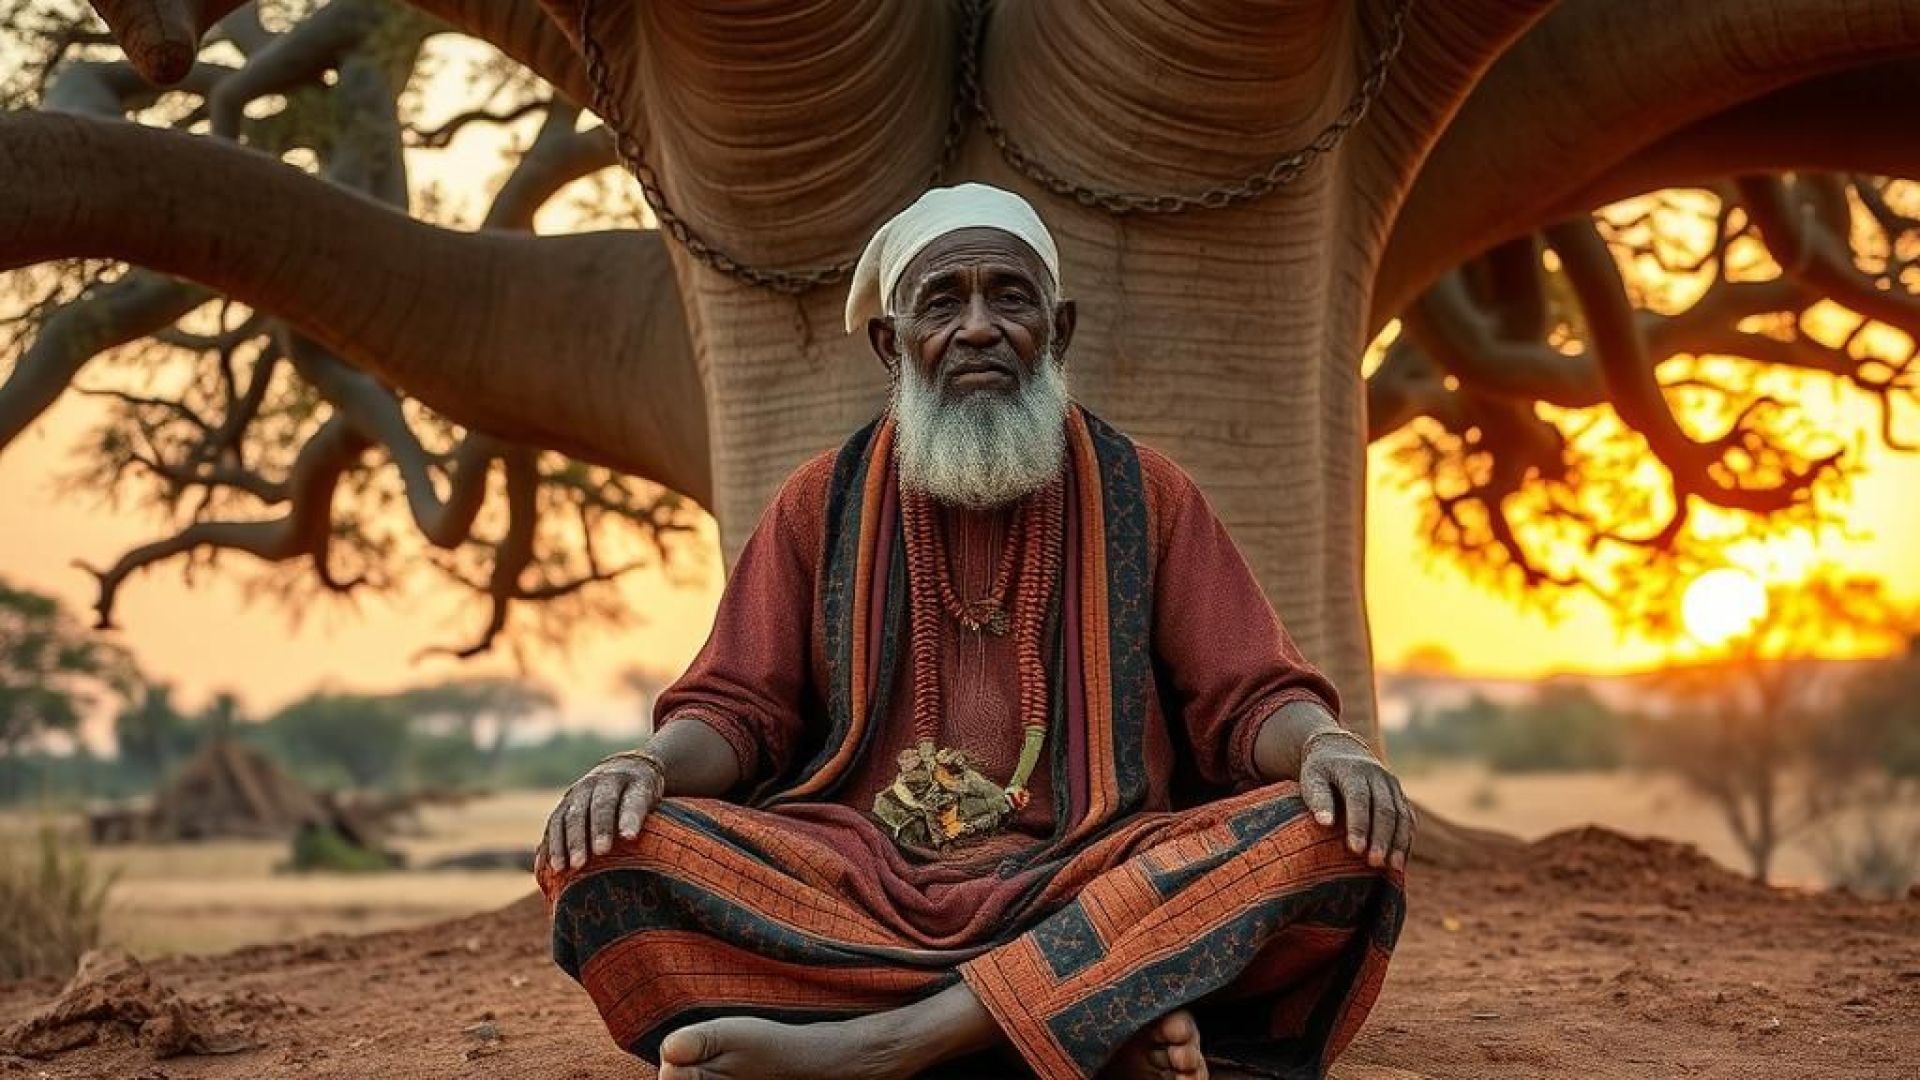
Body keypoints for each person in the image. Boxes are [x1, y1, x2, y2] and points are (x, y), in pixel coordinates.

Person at [535, 183, 1411, 1080]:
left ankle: (888, 1044)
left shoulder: (1148, 493)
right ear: (892, 342)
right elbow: (734, 710)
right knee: (611, 857)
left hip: (1094, 875)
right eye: (944, 301)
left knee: (1333, 835)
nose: (982, 326)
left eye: (1012, 296)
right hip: (859, 886)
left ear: (1058, 329)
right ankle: (1084, 1018)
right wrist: (638, 767)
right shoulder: (817, 503)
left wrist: (1328, 749)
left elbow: (1252, 695)